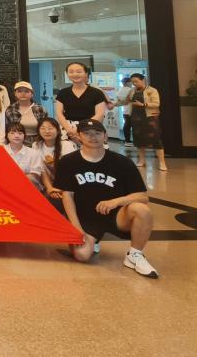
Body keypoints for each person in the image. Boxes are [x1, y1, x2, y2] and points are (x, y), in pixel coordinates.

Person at [55, 120, 158, 278]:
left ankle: (135, 254)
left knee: (142, 210)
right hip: (85, 218)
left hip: (116, 215)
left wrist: (115, 202)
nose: (93, 137)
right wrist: (76, 227)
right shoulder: (68, 162)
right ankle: (93, 240)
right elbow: (67, 196)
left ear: (105, 136)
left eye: (97, 133)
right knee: (82, 255)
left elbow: (142, 196)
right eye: (87, 133)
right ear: (79, 136)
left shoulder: (122, 162)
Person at [55, 62, 107, 140]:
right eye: (71, 72)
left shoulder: (97, 92)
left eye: (79, 71)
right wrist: (68, 129)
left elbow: (100, 114)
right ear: (67, 74)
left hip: (91, 127)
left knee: (92, 147)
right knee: (67, 147)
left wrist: (79, 127)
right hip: (68, 129)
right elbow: (59, 113)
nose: (75, 74)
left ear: (86, 74)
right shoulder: (63, 93)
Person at [129, 74, 166, 172]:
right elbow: (126, 100)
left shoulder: (152, 90)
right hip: (136, 118)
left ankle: (162, 162)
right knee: (139, 139)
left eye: (136, 81)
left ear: (143, 80)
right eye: (132, 82)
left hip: (150, 118)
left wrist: (143, 104)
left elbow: (156, 104)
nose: (134, 84)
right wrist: (112, 104)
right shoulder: (132, 91)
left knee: (156, 139)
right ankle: (142, 160)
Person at [34, 117, 77, 202]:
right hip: (47, 184)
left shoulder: (67, 145)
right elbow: (41, 170)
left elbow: (70, 170)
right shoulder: (36, 145)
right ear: (38, 131)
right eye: (43, 128)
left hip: (67, 184)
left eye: (50, 128)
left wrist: (60, 188)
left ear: (58, 131)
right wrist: (49, 188)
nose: (47, 131)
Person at [3, 122, 44, 190]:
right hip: (5, 188)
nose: (16, 136)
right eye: (12, 133)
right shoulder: (1, 152)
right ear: (7, 135)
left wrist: (13, 180)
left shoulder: (34, 153)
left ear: (24, 135)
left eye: (20, 133)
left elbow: (35, 176)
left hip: (29, 188)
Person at [2, 81, 45, 146]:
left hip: (38, 144)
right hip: (16, 144)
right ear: (15, 94)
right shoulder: (10, 110)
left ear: (32, 94)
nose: (23, 93)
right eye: (19, 91)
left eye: (26, 91)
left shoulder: (40, 109)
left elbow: (45, 128)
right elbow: (7, 130)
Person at [110, 76, 134, 145]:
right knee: (130, 126)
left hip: (125, 111)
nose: (132, 83)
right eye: (131, 82)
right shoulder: (130, 90)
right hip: (131, 111)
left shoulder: (120, 90)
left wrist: (114, 104)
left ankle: (127, 140)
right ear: (128, 82)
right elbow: (131, 100)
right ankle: (129, 141)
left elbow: (118, 101)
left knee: (127, 126)